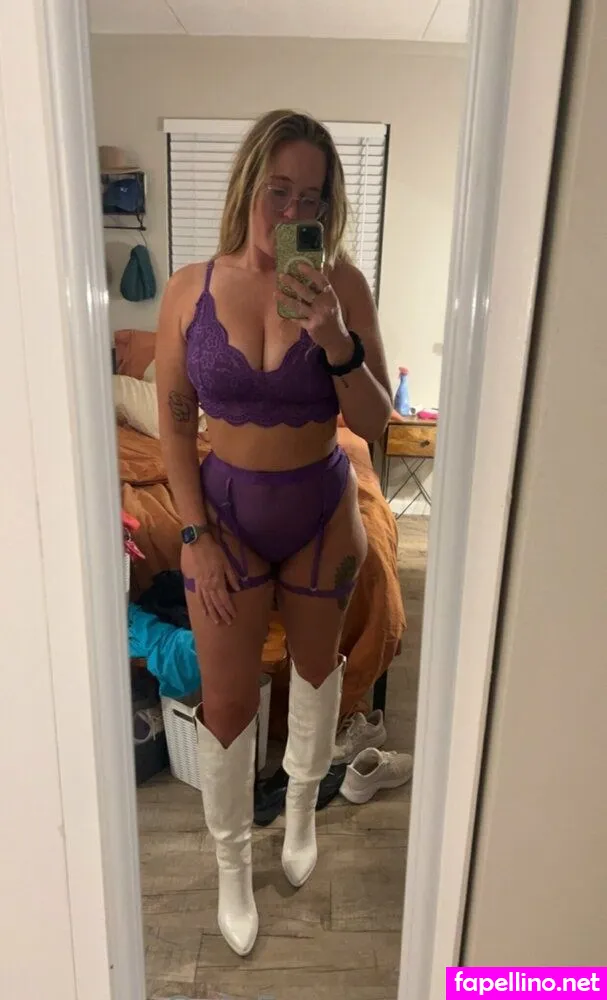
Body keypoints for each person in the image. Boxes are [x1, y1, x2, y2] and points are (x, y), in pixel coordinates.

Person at [156, 109, 392, 956]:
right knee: (224, 699)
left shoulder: (343, 285)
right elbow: (173, 421)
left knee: (315, 671)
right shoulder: (188, 290)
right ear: (248, 186)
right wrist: (193, 533)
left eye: (312, 198)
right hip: (223, 516)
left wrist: (332, 336)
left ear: (327, 209)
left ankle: (298, 812)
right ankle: (231, 864)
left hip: (321, 510)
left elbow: (376, 422)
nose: (293, 210)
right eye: (278, 190)